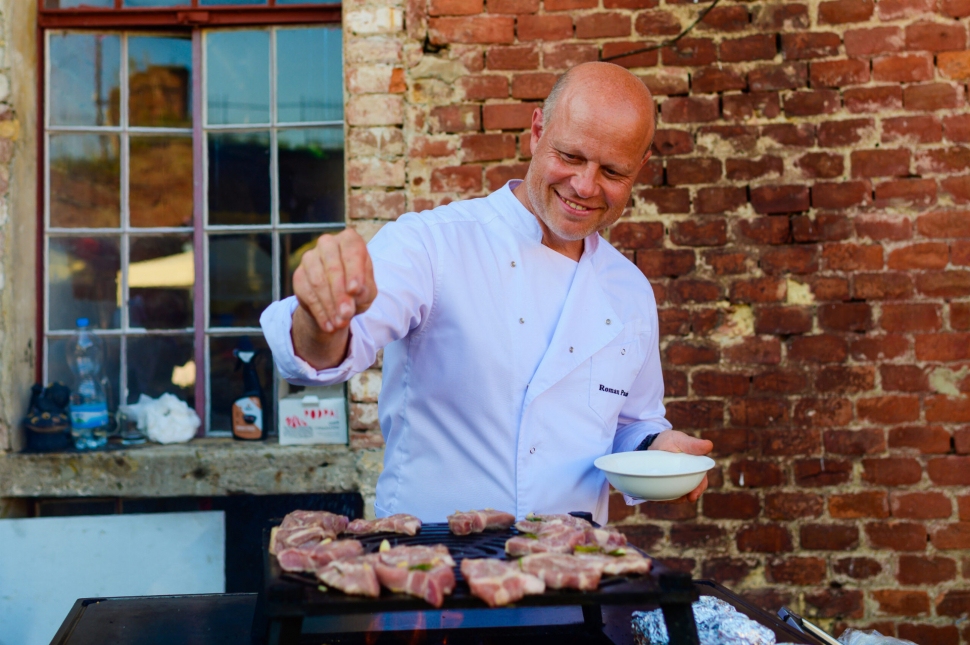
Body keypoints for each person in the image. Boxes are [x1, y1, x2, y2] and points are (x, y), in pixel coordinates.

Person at [261, 62, 713, 525]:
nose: (584, 186)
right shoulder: (431, 244)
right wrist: (320, 319)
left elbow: (629, 423)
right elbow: (326, 354)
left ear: (640, 168)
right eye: (571, 157)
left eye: (613, 172)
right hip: (430, 570)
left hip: (570, 574)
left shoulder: (629, 291)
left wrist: (656, 448)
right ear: (537, 131)